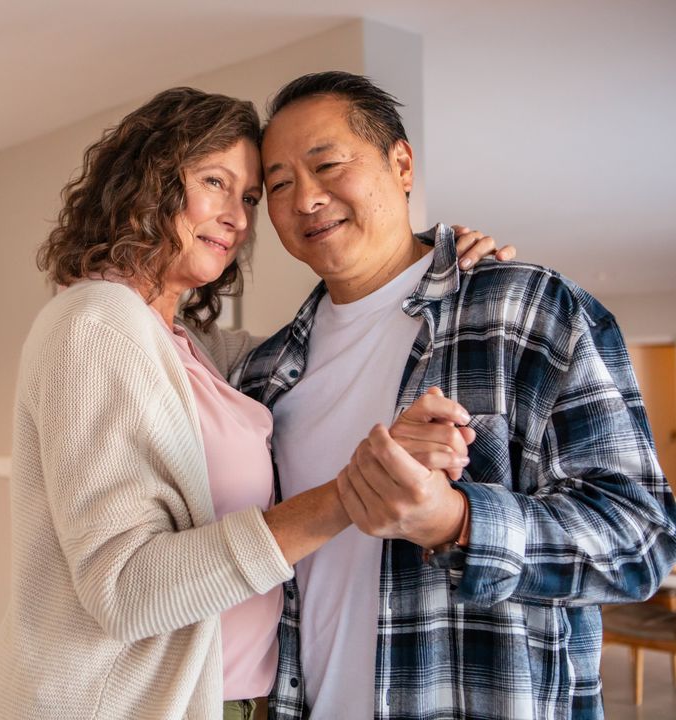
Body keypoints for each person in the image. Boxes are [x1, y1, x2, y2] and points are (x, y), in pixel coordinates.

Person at [0, 87, 510, 720]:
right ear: (144, 183)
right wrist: (354, 492)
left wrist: (434, 261)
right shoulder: (97, 322)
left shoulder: (193, 346)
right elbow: (124, 591)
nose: (238, 216)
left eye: (251, 196)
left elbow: (338, 343)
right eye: (213, 181)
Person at [234, 71, 676, 720]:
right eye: (277, 184)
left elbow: (642, 540)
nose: (304, 199)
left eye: (327, 164)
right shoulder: (264, 375)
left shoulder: (528, 310)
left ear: (402, 163)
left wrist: (459, 522)